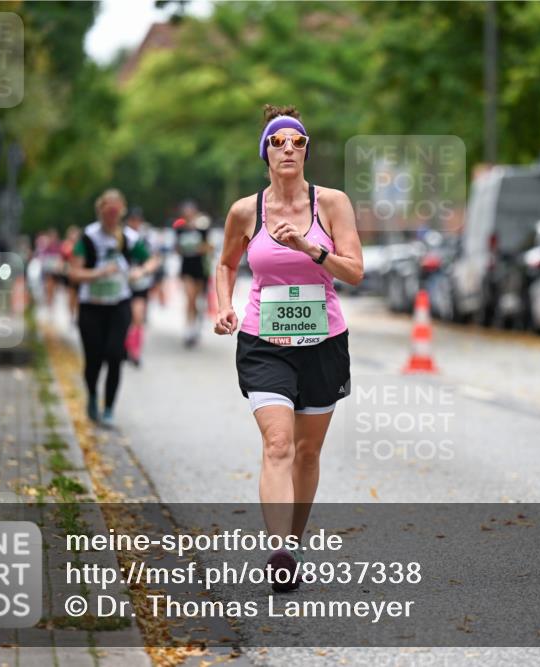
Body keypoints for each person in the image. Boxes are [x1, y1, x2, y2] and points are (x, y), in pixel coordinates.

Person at [213, 104, 363, 591]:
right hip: (264, 341)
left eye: (298, 142)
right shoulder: (245, 211)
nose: (289, 149)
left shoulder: (332, 204)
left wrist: (309, 249)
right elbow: (225, 265)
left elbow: (356, 271)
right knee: (277, 443)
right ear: (265, 152)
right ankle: (278, 549)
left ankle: (292, 544)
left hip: (324, 341)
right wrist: (223, 306)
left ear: (306, 152)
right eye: (279, 142)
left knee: (306, 452)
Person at [69, 189, 153, 428]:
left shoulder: (128, 237)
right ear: (100, 212)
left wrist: (141, 270)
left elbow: (152, 259)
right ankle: (93, 396)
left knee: (115, 355)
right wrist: (98, 273)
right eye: (108, 213)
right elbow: (73, 273)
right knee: (93, 359)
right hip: (91, 306)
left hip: (119, 304)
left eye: (116, 214)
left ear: (121, 213)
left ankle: (109, 409)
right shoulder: (88, 237)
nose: (112, 218)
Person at [124, 207, 160, 367]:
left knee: (138, 316)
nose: (135, 223)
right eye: (132, 220)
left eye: (137, 220)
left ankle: (135, 351)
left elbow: (154, 259)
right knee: (125, 318)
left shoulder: (146, 238)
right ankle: (124, 347)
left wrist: (143, 271)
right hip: (123, 284)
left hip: (140, 283)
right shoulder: (121, 238)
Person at [175, 201, 212, 347]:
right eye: (186, 211)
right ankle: (188, 328)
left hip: (200, 268)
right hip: (186, 267)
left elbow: (209, 247)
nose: (188, 213)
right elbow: (177, 248)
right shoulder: (180, 229)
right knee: (189, 298)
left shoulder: (202, 228)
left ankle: (196, 325)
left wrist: (198, 248)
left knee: (196, 300)